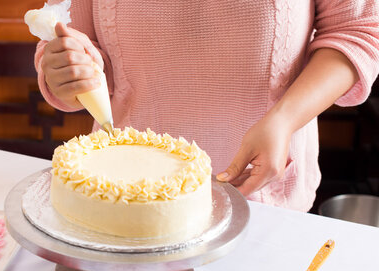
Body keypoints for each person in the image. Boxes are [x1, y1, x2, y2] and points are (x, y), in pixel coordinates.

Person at [34, 1, 379, 211]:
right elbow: (69, 40)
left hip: (263, 202)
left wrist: (284, 120)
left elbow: (357, 32)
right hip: (122, 199)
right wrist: (67, 74)